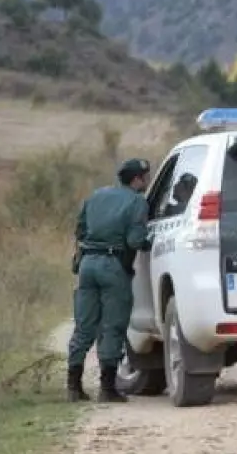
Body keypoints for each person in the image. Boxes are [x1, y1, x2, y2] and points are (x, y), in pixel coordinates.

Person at [67, 158, 153, 403]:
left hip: (87, 264)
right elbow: (135, 241)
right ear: (136, 179)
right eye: (145, 177)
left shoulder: (96, 196)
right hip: (113, 266)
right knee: (113, 326)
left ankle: (73, 386)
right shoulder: (137, 202)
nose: (147, 181)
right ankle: (107, 388)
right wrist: (150, 242)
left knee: (84, 325)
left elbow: (80, 230)